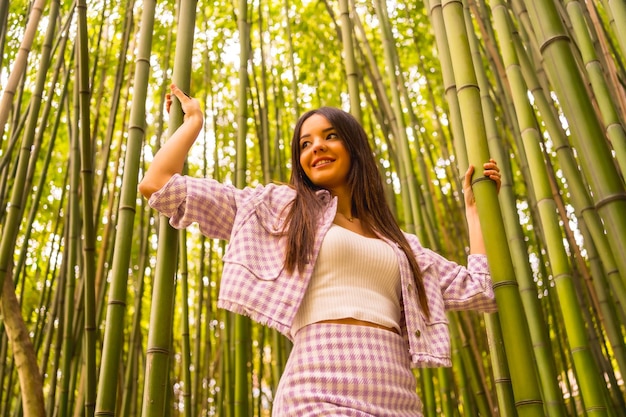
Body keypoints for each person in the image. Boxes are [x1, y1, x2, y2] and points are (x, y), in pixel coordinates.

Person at [139, 84, 501, 416]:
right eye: (305, 144)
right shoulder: (281, 210)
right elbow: (158, 185)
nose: (317, 148)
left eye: (330, 137)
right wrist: (194, 122)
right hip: (316, 387)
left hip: (397, 394)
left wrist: (475, 209)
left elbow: (483, 289)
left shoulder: (401, 245)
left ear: (354, 148)